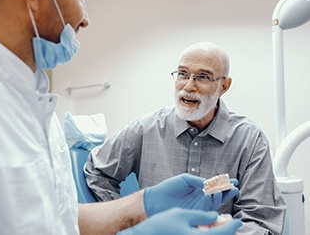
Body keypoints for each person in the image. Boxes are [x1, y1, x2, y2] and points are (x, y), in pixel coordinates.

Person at [0, 0, 242, 234]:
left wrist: (142, 204)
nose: (85, 18)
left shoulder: (34, 99)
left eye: (203, 76)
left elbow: (60, 221)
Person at [84, 41, 287, 234]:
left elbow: (260, 219)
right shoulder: (145, 129)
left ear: (224, 86)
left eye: (203, 77)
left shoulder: (250, 140)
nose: (189, 86)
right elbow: (97, 171)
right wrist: (128, 223)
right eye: (183, 74)